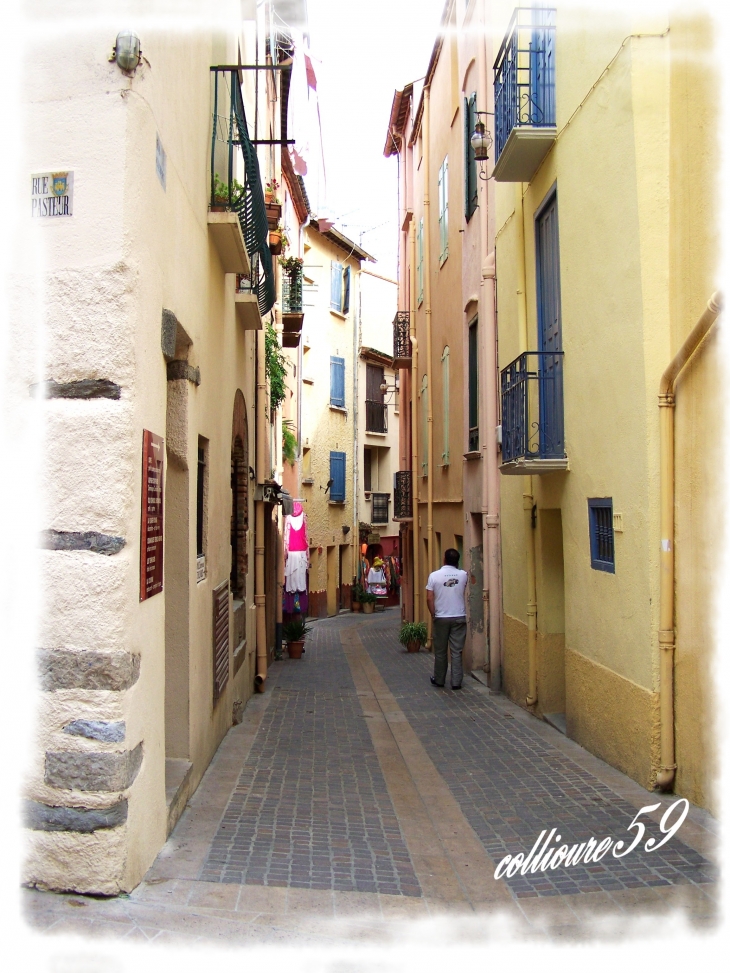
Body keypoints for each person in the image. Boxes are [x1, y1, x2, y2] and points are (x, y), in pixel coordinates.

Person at [426, 548, 468, 690]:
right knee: (457, 651)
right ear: (458, 561)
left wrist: (433, 614)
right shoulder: (463, 575)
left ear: (444, 559)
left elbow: (429, 597)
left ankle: (439, 679)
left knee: (440, 651)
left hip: (441, 617)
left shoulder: (434, 576)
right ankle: (456, 682)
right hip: (459, 616)